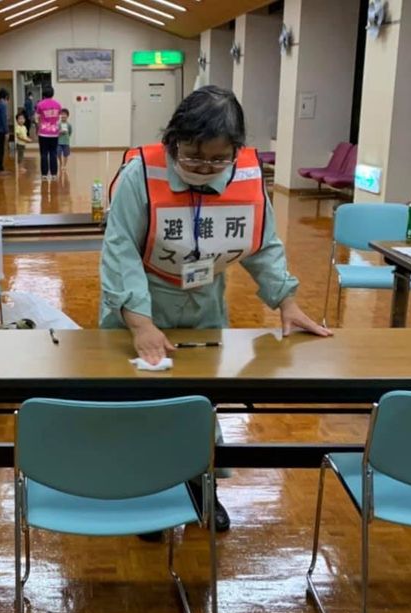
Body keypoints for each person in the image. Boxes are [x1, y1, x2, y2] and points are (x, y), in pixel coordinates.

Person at [99, 85, 331, 533]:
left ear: (235, 151)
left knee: (201, 401)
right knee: (141, 402)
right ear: (172, 143)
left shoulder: (246, 177)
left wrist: (287, 300)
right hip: (141, 302)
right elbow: (119, 248)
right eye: (192, 157)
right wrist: (140, 322)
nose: (204, 169)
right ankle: (148, 491)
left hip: (204, 302)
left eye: (216, 160)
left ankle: (201, 485)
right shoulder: (140, 176)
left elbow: (262, 243)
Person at [35, 85, 61, 181]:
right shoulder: (58, 105)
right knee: (53, 153)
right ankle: (54, 174)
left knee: (44, 154)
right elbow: (58, 119)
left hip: (43, 133)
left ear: (43, 93)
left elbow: (36, 119)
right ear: (52, 93)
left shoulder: (40, 105)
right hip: (54, 133)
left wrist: (39, 126)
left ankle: (44, 175)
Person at [57, 108, 73, 172]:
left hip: (66, 142)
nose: (63, 115)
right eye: (62, 114)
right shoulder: (58, 124)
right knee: (58, 153)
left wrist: (67, 136)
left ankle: (64, 165)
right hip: (59, 142)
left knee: (66, 154)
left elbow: (70, 132)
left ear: (67, 116)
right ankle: (60, 163)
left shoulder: (69, 125)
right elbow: (56, 133)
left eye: (65, 114)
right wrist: (60, 132)